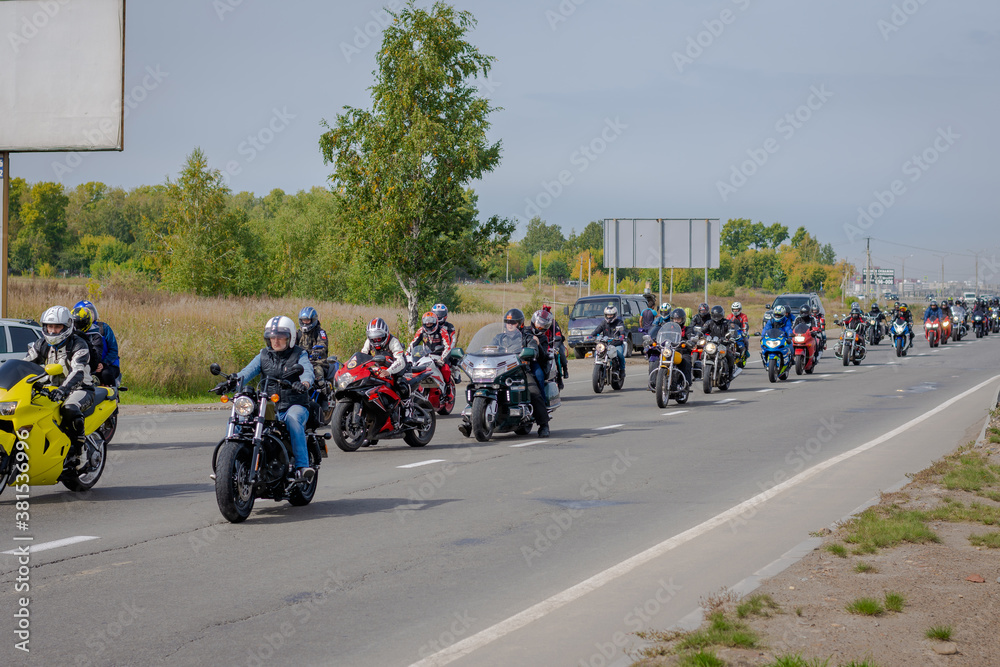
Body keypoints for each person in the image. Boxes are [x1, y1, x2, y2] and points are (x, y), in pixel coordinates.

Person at [233, 316, 315, 481]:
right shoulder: (263, 355)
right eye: (272, 337)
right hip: (268, 406)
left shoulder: (299, 354)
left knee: (293, 419)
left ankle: (302, 467)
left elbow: (307, 371)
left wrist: (304, 383)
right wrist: (231, 382)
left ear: (290, 338)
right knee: (240, 419)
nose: (275, 341)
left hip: (293, 404)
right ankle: (232, 466)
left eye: (280, 337)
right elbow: (246, 372)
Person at [24, 306, 95, 456]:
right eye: (50, 326)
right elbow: (24, 365)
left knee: (69, 408)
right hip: (52, 389)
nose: (52, 331)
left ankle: (80, 450)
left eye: (57, 327)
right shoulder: (41, 344)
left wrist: (63, 390)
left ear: (67, 327)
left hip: (80, 388)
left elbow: (77, 372)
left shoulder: (78, 344)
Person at [492, 309, 549, 437]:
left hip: (521, 371)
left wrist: (531, 351)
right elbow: (488, 349)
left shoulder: (527, 337)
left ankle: (544, 425)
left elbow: (534, 351)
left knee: (534, 392)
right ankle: (470, 420)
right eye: (508, 322)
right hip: (501, 372)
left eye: (513, 322)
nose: (510, 325)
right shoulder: (499, 338)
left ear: (521, 323)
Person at [361, 317, 416, 423]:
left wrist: (389, 371)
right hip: (380, 367)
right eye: (373, 337)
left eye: (379, 337)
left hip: (399, 367)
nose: (376, 340)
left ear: (385, 334)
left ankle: (408, 409)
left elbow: (400, 361)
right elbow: (363, 356)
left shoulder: (393, 341)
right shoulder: (368, 342)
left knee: (401, 383)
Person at [74, 300, 120, 387]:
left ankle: (113, 392)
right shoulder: (74, 331)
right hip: (86, 364)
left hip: (108, 364)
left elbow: (113, 350)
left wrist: (103, 363)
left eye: (91, 312)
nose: (90, 315)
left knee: (106, 373)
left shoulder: (103, 328)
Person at [409, 311, 455, 394]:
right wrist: (406, 355)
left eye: (430, 323)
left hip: (440, 356)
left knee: (445, 369)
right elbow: (412, 344)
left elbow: (447, 347)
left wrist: (442, 359)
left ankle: (448, 387)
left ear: (435, 322)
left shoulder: (442, 331)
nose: (428, 324)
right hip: (426, 356)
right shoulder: (421, 331)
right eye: (426, 323)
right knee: (415, 369)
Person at [701, 305, 741, 378]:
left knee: (730, 356)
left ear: (722, 315)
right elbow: (702, 330)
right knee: (703, 353)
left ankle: (730, 374)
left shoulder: (727, 322)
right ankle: (702, 371)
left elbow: (733, 331)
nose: (716, 317)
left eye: (718, 316)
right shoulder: (709, 322)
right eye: (715, 315)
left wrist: (731, 337)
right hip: (712, 343)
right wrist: (698, 335)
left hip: (723, 344)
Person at [298, 306, 331, 384]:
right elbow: (290, 344)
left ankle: (322, 389)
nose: (305, 322)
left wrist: (316, 352)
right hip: (299, 361)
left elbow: (323, 345)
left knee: (318, 374)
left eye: (307, 320)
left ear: (313, 320)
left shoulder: (320, 332)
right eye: (303, 320)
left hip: (316, 362)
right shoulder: (297, 333)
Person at [590, 305, 626, 376]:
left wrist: (621, 335)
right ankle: (599, 369)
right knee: (597, 353)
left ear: (615, 315)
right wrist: (591, 335)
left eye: (611, 315)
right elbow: (597, 330)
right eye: (607, 315)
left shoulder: (619, 322)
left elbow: (622, 331)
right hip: (605, 344)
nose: (609, 317)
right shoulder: (603, 323)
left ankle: (622, 370)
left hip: (616, 344)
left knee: (619, 354)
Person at [71, 305, 105, 377]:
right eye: (74, 323)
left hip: (88, 367)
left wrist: (83, 337)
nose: (76, 326)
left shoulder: (95, 335)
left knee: (106, 374)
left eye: (80, 323)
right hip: (71, 365)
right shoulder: (68, 334)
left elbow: (96, 359)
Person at [541, 304, 569, 387]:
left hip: (555, 343)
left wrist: (556, 346)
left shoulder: (554, 323)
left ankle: (563, 372)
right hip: (544, 346)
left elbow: (558, 335)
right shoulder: (539, 324)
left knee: (560, 354)